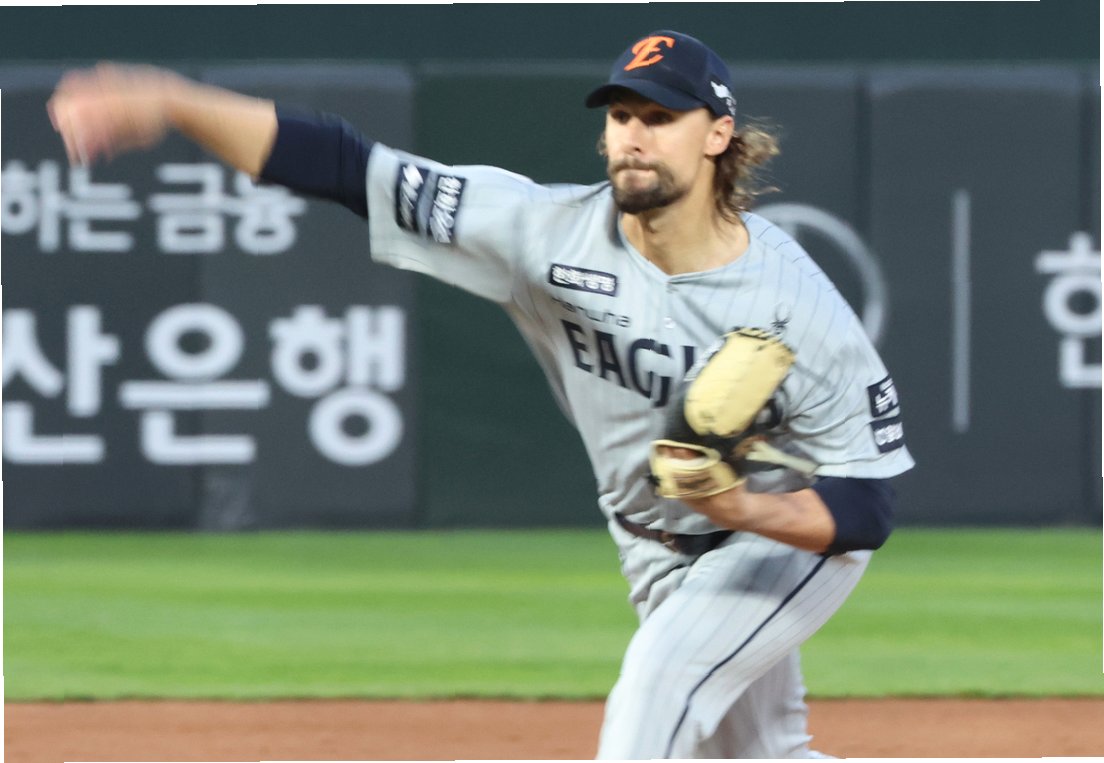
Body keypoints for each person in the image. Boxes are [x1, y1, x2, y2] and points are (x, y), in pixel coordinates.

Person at [48, 30, 914, 759]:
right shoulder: (543, 232)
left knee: (655, 698)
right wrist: (172, 101)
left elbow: (866, 505)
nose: (634, 136)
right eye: (621, 115)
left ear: (718, 135)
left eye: (660, 117)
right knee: (763, 756)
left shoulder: (794, 305)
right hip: (650, 541)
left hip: (774, 540)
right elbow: (345, 166)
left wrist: (737, 505)